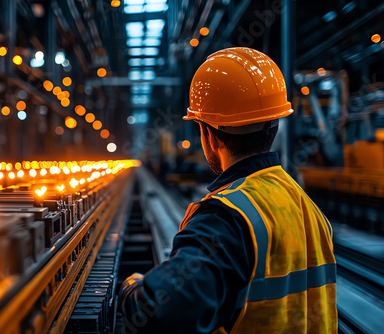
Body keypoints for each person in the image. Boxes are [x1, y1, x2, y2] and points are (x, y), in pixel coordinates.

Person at [119, 47, 337, 334]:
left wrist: (131, 288)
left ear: (208, 133)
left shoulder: (226, 221)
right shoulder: (306, 206)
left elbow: (154, 312)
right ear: (274, 125)